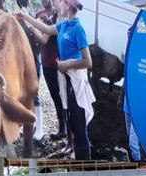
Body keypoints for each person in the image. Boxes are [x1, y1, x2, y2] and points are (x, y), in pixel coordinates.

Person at [16, 0, 95, 161]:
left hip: (75, 81)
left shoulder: (78, 29)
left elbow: (88, 61)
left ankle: (85, 163)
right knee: (71, 120)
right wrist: (26, 17)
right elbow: (45, 29)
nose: (57, 5)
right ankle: (78, 158)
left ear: (67, 5)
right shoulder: (64, 25)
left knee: (79, 127)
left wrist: (68, 64)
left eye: (60, 3)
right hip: (65, 79)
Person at [33, 0, 68, 143]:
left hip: (58, 63)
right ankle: (63, 129)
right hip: (46, 62)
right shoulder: (39, 15)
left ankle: (65, 130)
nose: (45, 1)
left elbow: (45, 38)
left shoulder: (58, 16)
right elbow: (39, 39)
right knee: (55, 96)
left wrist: (32, 26)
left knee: (63, 98)